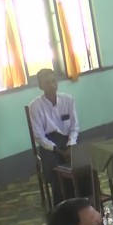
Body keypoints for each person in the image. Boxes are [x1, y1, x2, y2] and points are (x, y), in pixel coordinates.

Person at [28, 69, 89, 205]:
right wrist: (59, 150)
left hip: (69, 141)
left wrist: (70, 146)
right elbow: (39, 137)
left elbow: (74, 127)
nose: (52, 85)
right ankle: (64, 206)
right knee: (56, 171)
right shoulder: (35, 106)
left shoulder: (68, 100)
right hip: (50, 146)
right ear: (40, 86)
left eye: (53, 81)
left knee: (85, 164)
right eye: (47, 83)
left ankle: (86, 202)